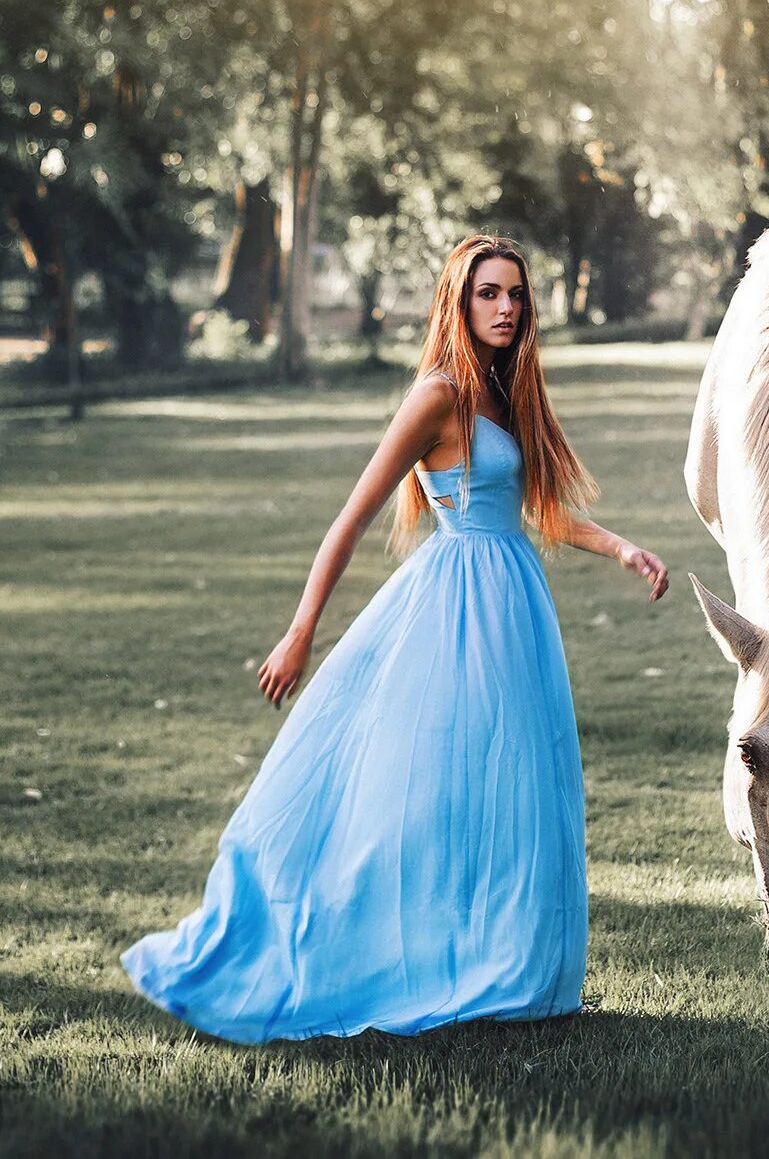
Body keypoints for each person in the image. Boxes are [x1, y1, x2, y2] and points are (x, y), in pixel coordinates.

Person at [122, 234, 668, 1044]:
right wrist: (301, 629)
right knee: (433, 786)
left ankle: (513, 972)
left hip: (516, 605)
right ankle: (384, 953)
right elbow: (352, 517)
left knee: (518, 787)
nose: (506, 307)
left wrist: (621, 546)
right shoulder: (438, 396)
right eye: (489, 292)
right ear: (459, 298)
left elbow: (532, 509)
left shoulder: (506, 390)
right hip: (451, 607)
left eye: (515, 294)